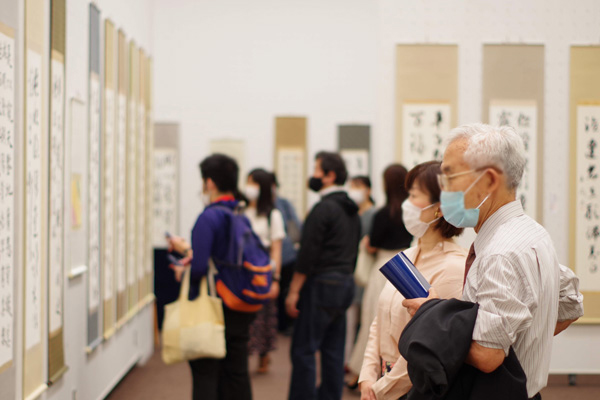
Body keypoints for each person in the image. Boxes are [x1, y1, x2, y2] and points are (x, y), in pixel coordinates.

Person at [402, 124, 584, 399]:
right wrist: (524, 341)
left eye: (449, 177)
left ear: (488, 181)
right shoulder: (533, 233)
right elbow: (571, 305)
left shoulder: (500, 252)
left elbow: (488, 355)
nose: (443, 191)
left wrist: (431, 313)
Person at [359, 161, 467, 400]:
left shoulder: (453, 267)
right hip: (383, 383)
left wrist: (380, 390)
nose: (406, 203)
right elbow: (380, 319)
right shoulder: (407, 256)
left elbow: (428, 346)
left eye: (414, 195)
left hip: (414, 390)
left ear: (440, 207)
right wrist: (367, 374)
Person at [167, 154, 257, 400]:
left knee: (206, 374)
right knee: (236, 374)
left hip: (213, 308)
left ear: (209, 183)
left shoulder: (208, 217)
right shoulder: (239, 214)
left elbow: (198, 269)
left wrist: (184, 267)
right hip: (239, 303)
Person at [285, 151, 361, 400]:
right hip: (345, 284)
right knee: (333, 350)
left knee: (304, 350)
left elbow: (307, 255)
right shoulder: (351, 210)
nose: (313, 175)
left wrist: (294, 290)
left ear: (329, 176)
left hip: (322, 284)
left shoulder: (322, 209)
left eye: (317, 170)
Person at [346, 164, 413, 389]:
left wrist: (366, 244)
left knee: (372, 323)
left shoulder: (382, 213)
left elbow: (373, 245)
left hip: (383, 268)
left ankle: (364, 372)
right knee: (401, 324)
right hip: (407, 267)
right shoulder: (412, 211)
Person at [243, 168, 285, 373]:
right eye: (248, 182)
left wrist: (276, 279)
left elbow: (276, 248)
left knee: (264, 316)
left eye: (254, 183)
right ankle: (245, 353)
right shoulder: (240, 210)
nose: (249, 188)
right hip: (243, 270)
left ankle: (263, 354)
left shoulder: (273, 214)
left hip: (263, 271)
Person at [345, 176, 377, 369]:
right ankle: (349, 361)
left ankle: (359, 364)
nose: (354, 190)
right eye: (352, 186)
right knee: (350, 319)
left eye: (358, 186)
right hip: (352, 270)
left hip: (366, 271)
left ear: (368, 190)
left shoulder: (372, 214)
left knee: (364, 319)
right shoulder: (352, 213)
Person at [272, 172, 303, 334]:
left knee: (285, 289)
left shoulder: (284, 204)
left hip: (287, 255)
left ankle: (285, 324)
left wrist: (293, 244)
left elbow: (295, 227)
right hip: (268, 258)